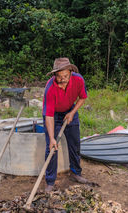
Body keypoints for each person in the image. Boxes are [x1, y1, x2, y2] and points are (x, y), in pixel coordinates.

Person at [43, 57, 88, 192]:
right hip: (54, 115)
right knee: (51, 147)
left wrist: (72, 112)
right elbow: (49, 116)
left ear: (71, 72)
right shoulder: (50, 88)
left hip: (70, 110)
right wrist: (52, 138)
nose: (62, 79)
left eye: (65, 76)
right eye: (59, 77)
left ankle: (75, 173)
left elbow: (83, 98)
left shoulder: (78, 80)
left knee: (75, 143)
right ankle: (50, 181)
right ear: (54, 75)